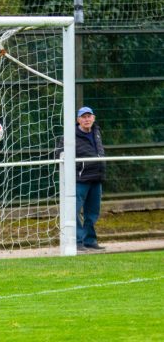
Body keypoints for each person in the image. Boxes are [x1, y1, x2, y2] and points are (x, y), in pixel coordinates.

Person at [75, 106, 106, 251]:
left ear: (93, 118)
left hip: (97, 178)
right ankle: (77, 241)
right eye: (83, 117)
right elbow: (60, 155)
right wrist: (78, 171)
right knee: (73, 211)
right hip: (80, 180)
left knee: (92, 213)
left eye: (89, 116)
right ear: (78, 120)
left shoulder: (97, 132)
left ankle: (89, 240)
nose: (87, 119)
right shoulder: (70, 136)